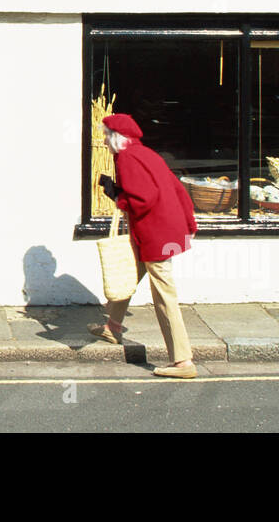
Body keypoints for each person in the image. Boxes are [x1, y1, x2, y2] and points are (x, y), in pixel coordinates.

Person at [92, 112, 198, 379]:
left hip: (155, 234)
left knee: (164, 295)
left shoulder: (126, 158)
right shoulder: (148, 154)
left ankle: (183, 361)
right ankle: (113, 327)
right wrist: (189, 225)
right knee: (131, 271)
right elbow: (177, 189)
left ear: (117, 137)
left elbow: (142, 200)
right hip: (168, 230)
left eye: (106, 134)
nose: (104, 140)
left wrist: (116, 195)